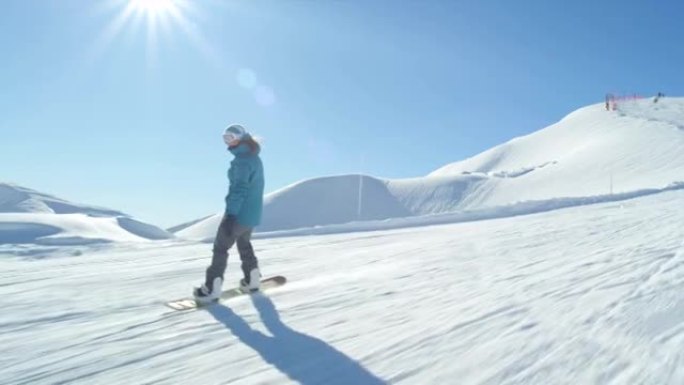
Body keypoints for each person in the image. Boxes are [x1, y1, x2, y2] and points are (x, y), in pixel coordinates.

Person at [194, 124, 265, 304]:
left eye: (231, 137)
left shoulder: (242, 161)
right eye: (225, 138)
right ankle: (252, 279)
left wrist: (231, 215)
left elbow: (239, 189)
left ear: (241, 137)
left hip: (238, 214)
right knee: (244, 244)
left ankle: (211, 289)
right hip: (251, 215)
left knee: (220, 248)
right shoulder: (254, 158)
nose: (228, 142)